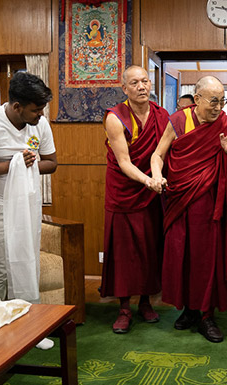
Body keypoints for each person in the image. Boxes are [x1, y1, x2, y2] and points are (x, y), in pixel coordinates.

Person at [150, 76, 227, 343]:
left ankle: (206, 315)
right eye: (213, 101)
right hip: (180, 202)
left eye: (222, 101)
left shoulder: (226, 123)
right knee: (181, 256)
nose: (218, 108)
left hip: (210, 204)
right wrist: (157, 175)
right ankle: (189, 309)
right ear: (197, 100)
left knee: (207, 258)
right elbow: (158, 154)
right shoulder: (178, 121)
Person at [0, 72, 57, 302]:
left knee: (26, 263)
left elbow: (52, 163)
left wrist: (29, 163)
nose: (41, 114)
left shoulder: (40, 124)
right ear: (17, 106)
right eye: (36, 110)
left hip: (26, 206)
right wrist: (13, 164)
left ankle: (26, 326)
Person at [101, 65, 169, 333]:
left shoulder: (162, 116)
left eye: (145, 81)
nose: (142, 87)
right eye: (135, 83)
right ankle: (124, 307)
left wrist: (158, 179)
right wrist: (148, 181)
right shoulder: (115, 118)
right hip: (125, 192)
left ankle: (145, 301)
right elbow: (124, 162)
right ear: (124, 88)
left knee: (150, 247)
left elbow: (165, 152)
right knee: (124, 253)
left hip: (153, 192)